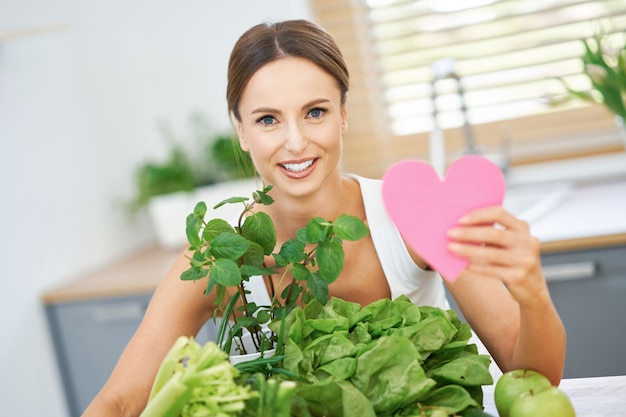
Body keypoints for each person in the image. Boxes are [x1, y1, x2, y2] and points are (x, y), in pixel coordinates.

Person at [83, 19, 566, 416]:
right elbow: (119, 403)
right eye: (268, 120)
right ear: (241, 130)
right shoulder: (219, 257)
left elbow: (533, 379)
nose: (295, 142)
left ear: (343, 115)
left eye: (314, 112)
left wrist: (534, 297)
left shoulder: (413, 215)